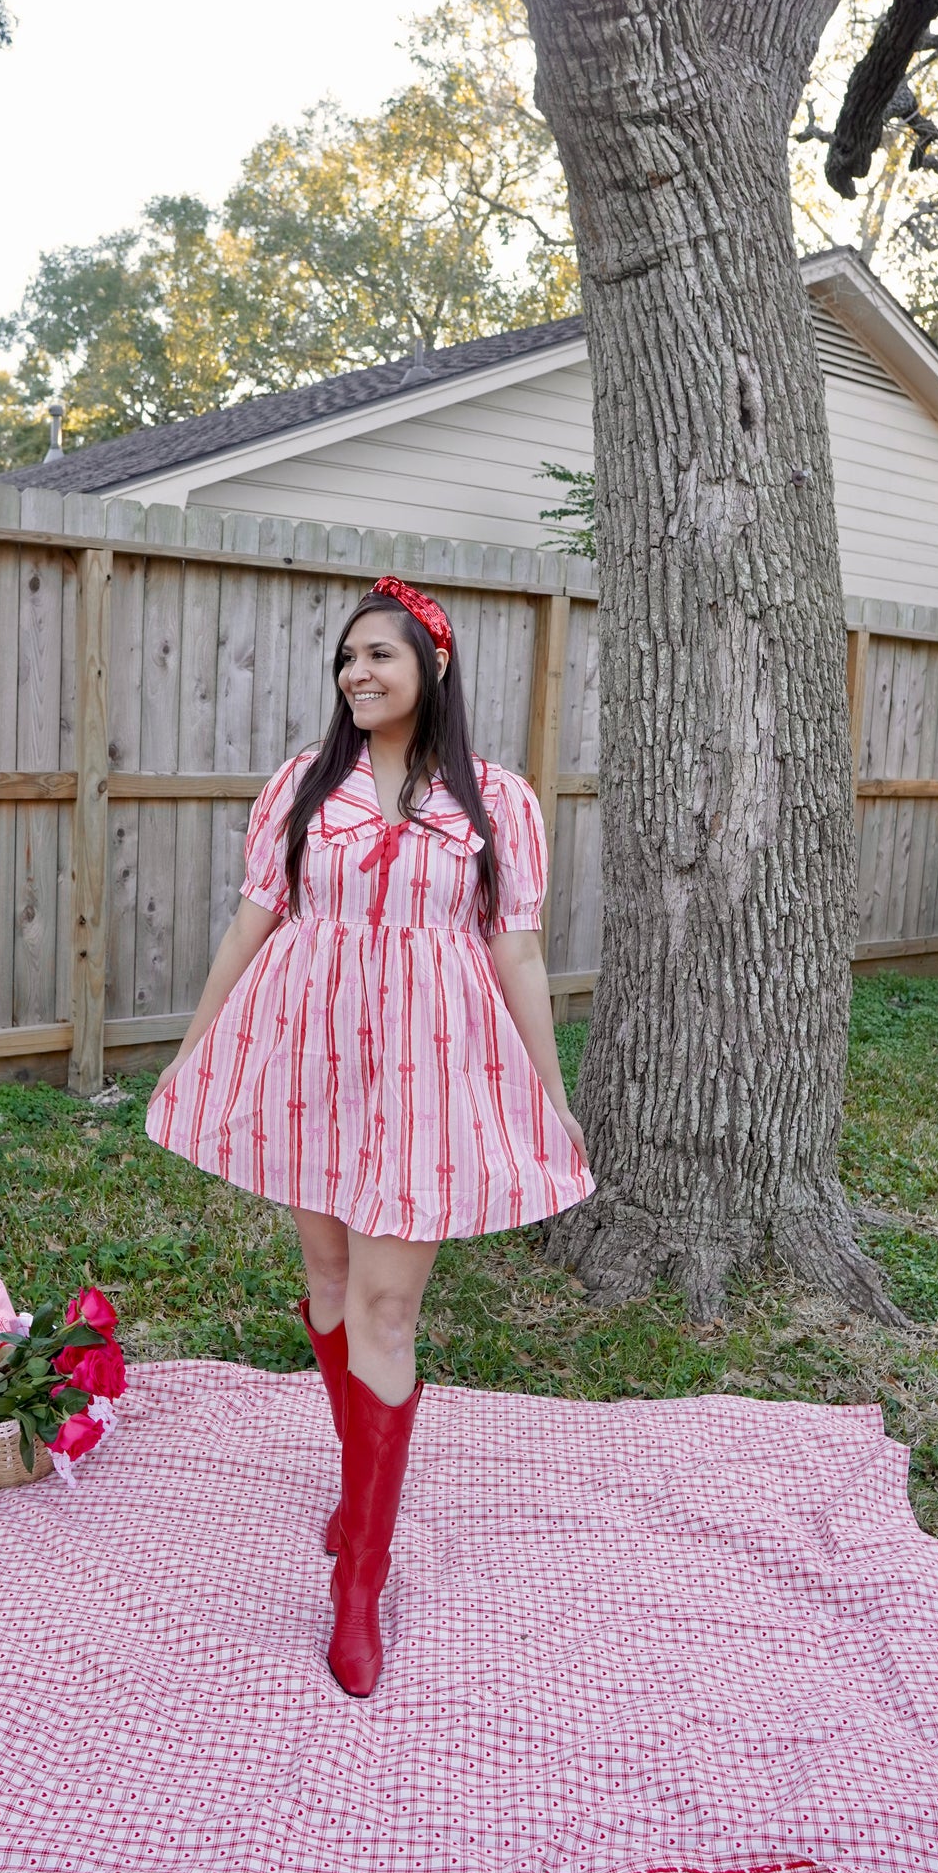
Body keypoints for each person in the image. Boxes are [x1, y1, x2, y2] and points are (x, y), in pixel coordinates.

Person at [145, 574, 596, 1697]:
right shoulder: (304, 784)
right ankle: (354, 1491)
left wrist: (546, 1090)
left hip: (428, 1070)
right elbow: (256, 916)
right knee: (330, 1277)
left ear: (428, 669)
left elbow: (519, 953)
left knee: (389, 1308)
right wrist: (198, 1042)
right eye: (346, 658)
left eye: (377, 657)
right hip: (307, 1053)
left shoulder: (496, 801)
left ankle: (361, 1577)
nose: (355, 674)